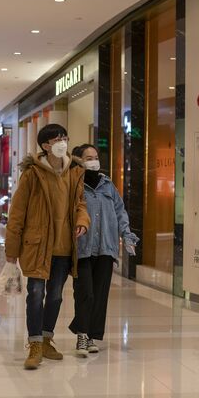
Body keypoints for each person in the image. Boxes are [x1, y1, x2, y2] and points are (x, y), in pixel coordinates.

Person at [5, 124, 90, 370]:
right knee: (35, 296)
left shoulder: (75, 171)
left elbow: (80, 203)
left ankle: (46, 338)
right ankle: (34, 346)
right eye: (57, 139)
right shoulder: (32, 174)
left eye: (65, 137)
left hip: (64, 246)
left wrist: (83, 221)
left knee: (54, 297)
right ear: (45, 145)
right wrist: (12, 252)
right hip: (37, 246)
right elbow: (17, 214)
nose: (63, 142)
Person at [68, 144, 138, 357]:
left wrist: (127, 235)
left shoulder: (108, 185)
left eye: (95, 156)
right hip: (83, 248)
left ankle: (91, 336)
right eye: (88, 157)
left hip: (106, 247)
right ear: (79, 160)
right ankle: (81, 334)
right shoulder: (74, 184)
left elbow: (120, 211)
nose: (93, 160)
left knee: (99, 295)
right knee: (85, 293)